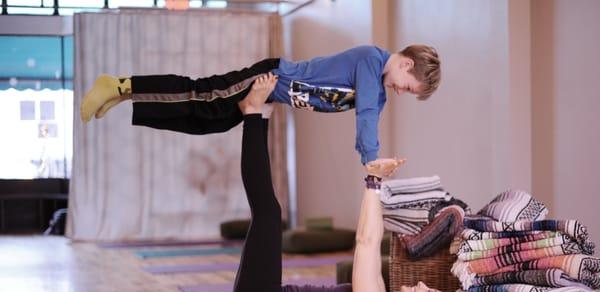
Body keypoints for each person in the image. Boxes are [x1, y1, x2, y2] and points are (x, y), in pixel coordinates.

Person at [232, 73, 460, 292]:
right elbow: (373, 244)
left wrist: (374, 182)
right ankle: (258, 116)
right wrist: (376, 181)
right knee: (267, 212)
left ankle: (253, 115)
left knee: (268, 213)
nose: (423, 284)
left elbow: (365, 242)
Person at [80, 44, 441, 165]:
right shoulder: (370, 60)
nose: (400, 92)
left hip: (268, 93)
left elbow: (368, 124)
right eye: (408, 87)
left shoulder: (377, 91)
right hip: (268, 77)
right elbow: (365, 120)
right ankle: (121, 85)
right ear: (406, 64)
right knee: (203, 95)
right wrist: (372, 158)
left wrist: (371, 164)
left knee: (212, 121)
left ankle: (126, 97)